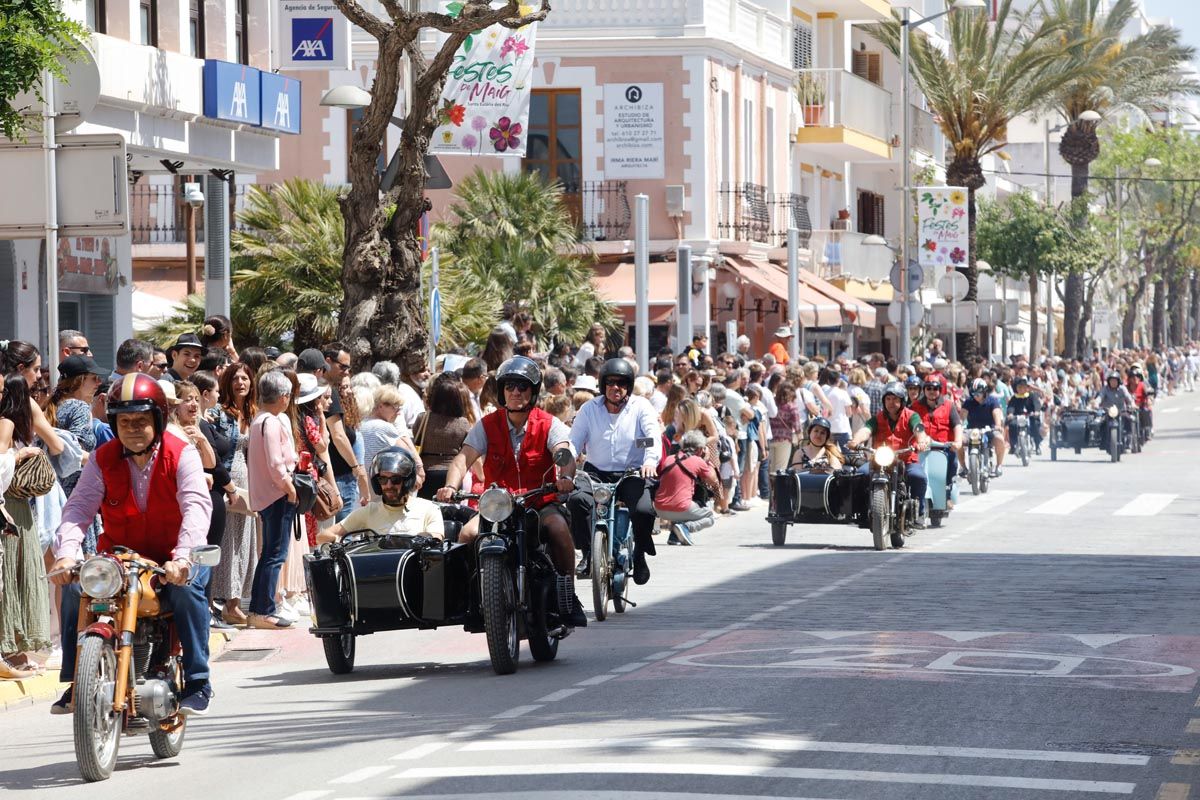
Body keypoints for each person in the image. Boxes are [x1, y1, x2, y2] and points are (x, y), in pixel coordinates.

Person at [49, 374, 215, 715]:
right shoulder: (102, 458)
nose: (133, 428)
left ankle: (199, 680)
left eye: (141, 420)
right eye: (124, 421)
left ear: (158, 419)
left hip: (175, 557)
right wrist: (66, 555)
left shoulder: (182, 454)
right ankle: (74, 680)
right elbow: (79, 507)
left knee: (186, 592)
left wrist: (182, 558)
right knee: (74, 586)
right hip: (122, 559)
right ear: (113, 423)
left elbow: (197, 508)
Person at [434, 357, 586, 627]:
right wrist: (450, 486)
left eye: (523, 387)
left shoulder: (548, 423)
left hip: (538, 500)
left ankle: (568, 596)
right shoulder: (487, 424)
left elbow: (563, 452)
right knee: (467, 534)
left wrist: (565, 476)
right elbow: (463, 458)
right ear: (502, 391)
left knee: (559, 529)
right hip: (497, 504)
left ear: (533, 391)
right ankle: (475, 598)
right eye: (510, 386)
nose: (516, 392)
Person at [567, 357, 661, 584]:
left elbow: (650, 438)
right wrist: (566, 458)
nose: (615, 388)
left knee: (644, 511)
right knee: (576, 500)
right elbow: (574, 442)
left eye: (621, 383)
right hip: (595, 472)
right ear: (602, 385)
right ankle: (589, 552)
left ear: (628, 386)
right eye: (610, 382)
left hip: (631, 473)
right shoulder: (589, 409)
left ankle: (639, 554)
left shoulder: (641, 407)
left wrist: (649, 461)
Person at [245, 370, 299, 630]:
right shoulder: (272, 421)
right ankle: (264, 610)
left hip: (268, 494)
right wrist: (290, 488)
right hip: (276, 494)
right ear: (283, 396)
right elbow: (276, 462)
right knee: (275, 554)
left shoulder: (259, 420)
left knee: (269, 553)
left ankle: (258, 609)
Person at [317, 448, 443, 543]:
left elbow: (437, 537)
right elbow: (321, 537)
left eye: (395, 480)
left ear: (407, 481)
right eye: (382, 479)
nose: (388, 485)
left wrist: (424, 538)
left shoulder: (428, 508)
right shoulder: (369, 511)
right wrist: (338, 540)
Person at [849, 380, 928, 522]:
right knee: (861, 474)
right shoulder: (878, 417)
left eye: (895, 399)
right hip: (880, 461)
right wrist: (856, 440)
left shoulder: (911, 416)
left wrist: (921, 440)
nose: (891, 402)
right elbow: (866, 430)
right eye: (888, 399)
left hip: (906, 459)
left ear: (902, 401)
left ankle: (919, 513)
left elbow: (919, 428)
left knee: (919, 477)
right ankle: (862, 511)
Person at [654, 430, 721, 546]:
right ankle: (686, 527)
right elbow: (713, 480)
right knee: (710, 517)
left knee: (682, 497)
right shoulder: (698, 461)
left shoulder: (669, 459)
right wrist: (707, 461)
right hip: (681, 508)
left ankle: (674, 537)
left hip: (660, 509)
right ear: (700, 449)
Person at [413, 373, 470, 500]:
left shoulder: (423, 418)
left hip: (425, 472)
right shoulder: (463, 423)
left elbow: (415, 436)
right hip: (451, 475)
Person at [911, 377, 962, 496]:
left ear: (940, 390)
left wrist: (957, 441)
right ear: (924, 390)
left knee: (953, 462)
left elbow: (957, 425)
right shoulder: (914, 407)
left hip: (943, 448)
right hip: (921, 448)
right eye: (928, 388)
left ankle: (947, 491)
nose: (932, 391)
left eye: (935, 388)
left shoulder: (949, 405)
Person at [962, 377, 1006, 478]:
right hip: (971, 431)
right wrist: (959, 425)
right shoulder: (969, 401)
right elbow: (962, 415)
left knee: (999, 439)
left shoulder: (992, 401)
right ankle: (963, 467)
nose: (975, 396)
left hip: (989, 430)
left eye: (978, 393)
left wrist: (998, 425)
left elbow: (996, 413)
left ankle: (998, 466)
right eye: (973, 393)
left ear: (985, 392)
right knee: (958, 441)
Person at [1006, 376, 1043, 455]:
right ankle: (1013, 446)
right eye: (1019, 387)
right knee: (1012, 425)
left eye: (1023, 387)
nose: (1021, 389)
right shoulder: (1014, 397)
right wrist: (1010, 413)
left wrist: (1036, 411)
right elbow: (1011, 406)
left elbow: (1037, 404)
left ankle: (1037, 446)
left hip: (1030, 416)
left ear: (1026, 388)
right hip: (1018, 417)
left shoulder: (1031, 395)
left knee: (1035, 425)